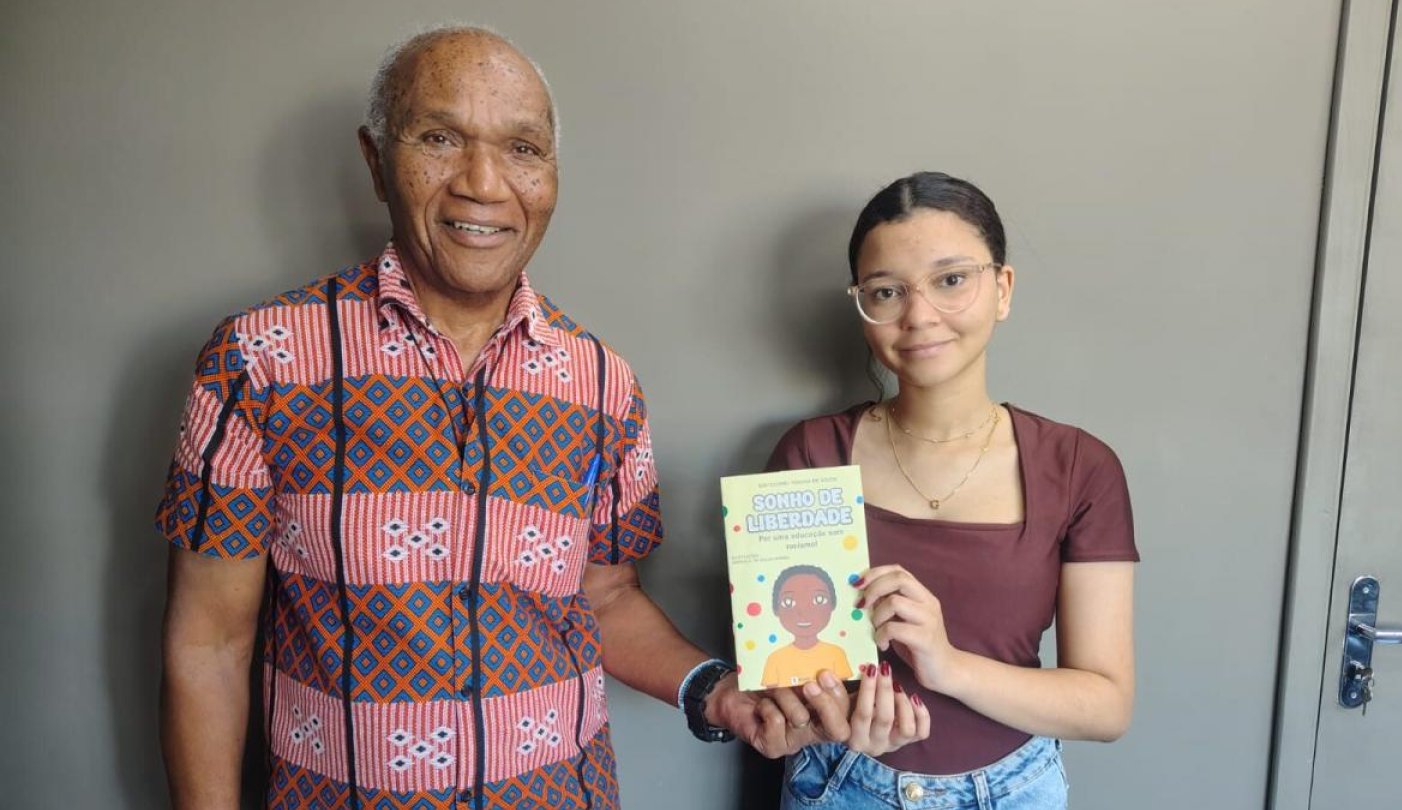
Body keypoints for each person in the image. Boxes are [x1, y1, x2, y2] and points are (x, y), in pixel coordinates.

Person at [155, 24, 892, 810]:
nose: (483, 182)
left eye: (523, 149)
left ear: (552, 175)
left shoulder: (603, 383)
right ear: (377, 162)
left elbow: (605, 597)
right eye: (440, 138)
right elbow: (209, 645)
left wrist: (718, 695)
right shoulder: (260, 359)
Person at [768, 172, 1138, 809]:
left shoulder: (1080, 468)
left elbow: (1106, 706)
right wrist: (822, 714)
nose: (919, 316)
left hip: (1015, 791)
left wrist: (948, 665)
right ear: (864, 309)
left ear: (1003, 289)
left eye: (951, 279)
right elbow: (784, 670)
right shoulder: (809, 456)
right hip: (840, 784)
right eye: (887, 291)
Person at [761, 565, 854, 688]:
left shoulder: (837, 654)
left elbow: (844, 689)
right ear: (776, 609)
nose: (804, 612)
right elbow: (771, 693)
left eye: (819, 599)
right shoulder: (775, 659)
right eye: (788, 602)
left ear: (833, 605)